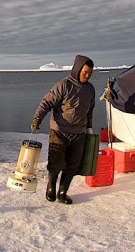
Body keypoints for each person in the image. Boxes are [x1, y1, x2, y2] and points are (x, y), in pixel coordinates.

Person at [31, 55, 95, 205]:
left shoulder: (90, 89)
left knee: (73, 165)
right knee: (56, 162)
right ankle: (51, 186)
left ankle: (62, 192)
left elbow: (90, 110)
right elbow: (46, 102)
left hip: (79, 133)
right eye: (85, 72)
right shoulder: (63, 85)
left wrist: (89, 127)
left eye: (90, 73)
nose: (87, 75)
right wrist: (37, 118)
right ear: (78, 69)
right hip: (59, 131)